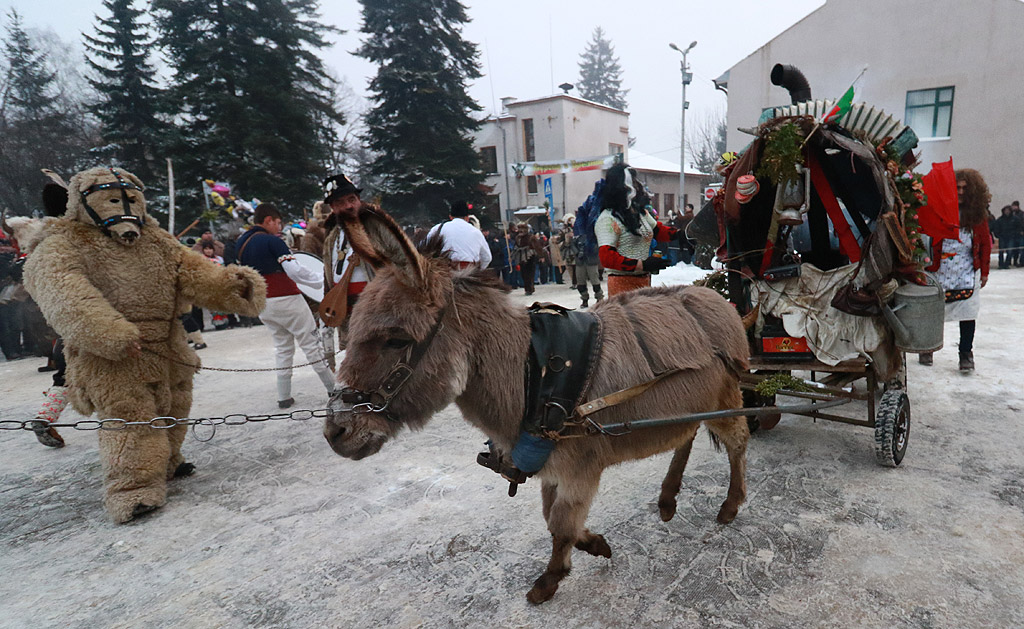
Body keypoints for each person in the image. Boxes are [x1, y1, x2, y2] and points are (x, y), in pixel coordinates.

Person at [238, 203, 336, 407]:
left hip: (263, 303)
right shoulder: (273, 242)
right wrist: (321, 279)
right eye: (277, 222)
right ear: (268, 221)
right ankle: (333, 389)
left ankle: (284, 396)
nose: (279, 227)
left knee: (282, 348)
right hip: (288, 299)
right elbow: (294, 271)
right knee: (311, 346)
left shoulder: (242, 242)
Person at [918, 168, 992, 372]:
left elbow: (985, 243)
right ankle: (927, 347)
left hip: (966, 271)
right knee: (932, 310)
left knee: (968, 312)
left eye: (964, 188)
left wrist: (984, 272)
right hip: (938, 269)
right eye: (957, 187)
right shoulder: (938, 210)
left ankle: (965, 354)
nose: (960, 192)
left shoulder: (977, 215)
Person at [595, 163, 676, 296]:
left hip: (643, 283)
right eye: (633, 181)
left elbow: (658, 231)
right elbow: (607, 257)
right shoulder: (608, 218)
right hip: (622, 285)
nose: (638, 185)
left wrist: (683, 235)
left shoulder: (639, 213)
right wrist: (642, 265)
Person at [426, 201, 492, 270]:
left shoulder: (438, 228)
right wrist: (479, 270)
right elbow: (487, 258)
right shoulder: (476, 232)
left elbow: (425, 247)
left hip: (445, 272)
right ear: (467, 218)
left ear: (450, 217)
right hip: (470, 272)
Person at [511, 223, 539, 295]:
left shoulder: (531, 237)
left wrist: (541, 256)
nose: (521, 231)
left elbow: (537, 247)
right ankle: (527, 288)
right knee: (523, 273)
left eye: (523, 229)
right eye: (520, 229)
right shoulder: (517, 238)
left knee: (530, 273)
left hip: (530, 256)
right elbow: (515, 247)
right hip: (521, 256)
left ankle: (530, 288)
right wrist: (512, 256)